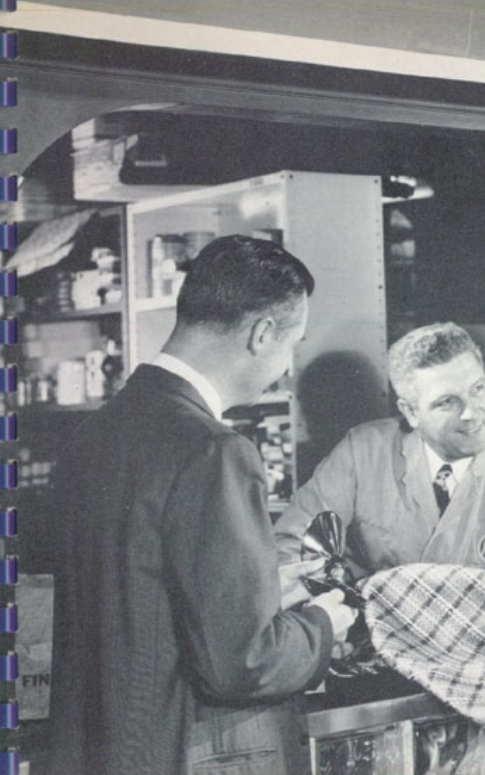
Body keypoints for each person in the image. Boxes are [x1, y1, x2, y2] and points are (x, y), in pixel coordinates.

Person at [47, 235, 359, 775]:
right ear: (262, 334)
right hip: (178, 755)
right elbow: (242, 664)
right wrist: (322, 626)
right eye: (292, 344)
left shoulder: (94, 433)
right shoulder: (216, 451)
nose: (286, 366)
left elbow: (139, 599)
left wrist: (262, 591)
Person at [274, 322, 485, 586]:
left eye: (477, 389)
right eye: (446, 402)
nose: (471, 413)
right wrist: (333, 606)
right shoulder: (362, 451)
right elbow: (293, 546)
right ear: (411, 412)